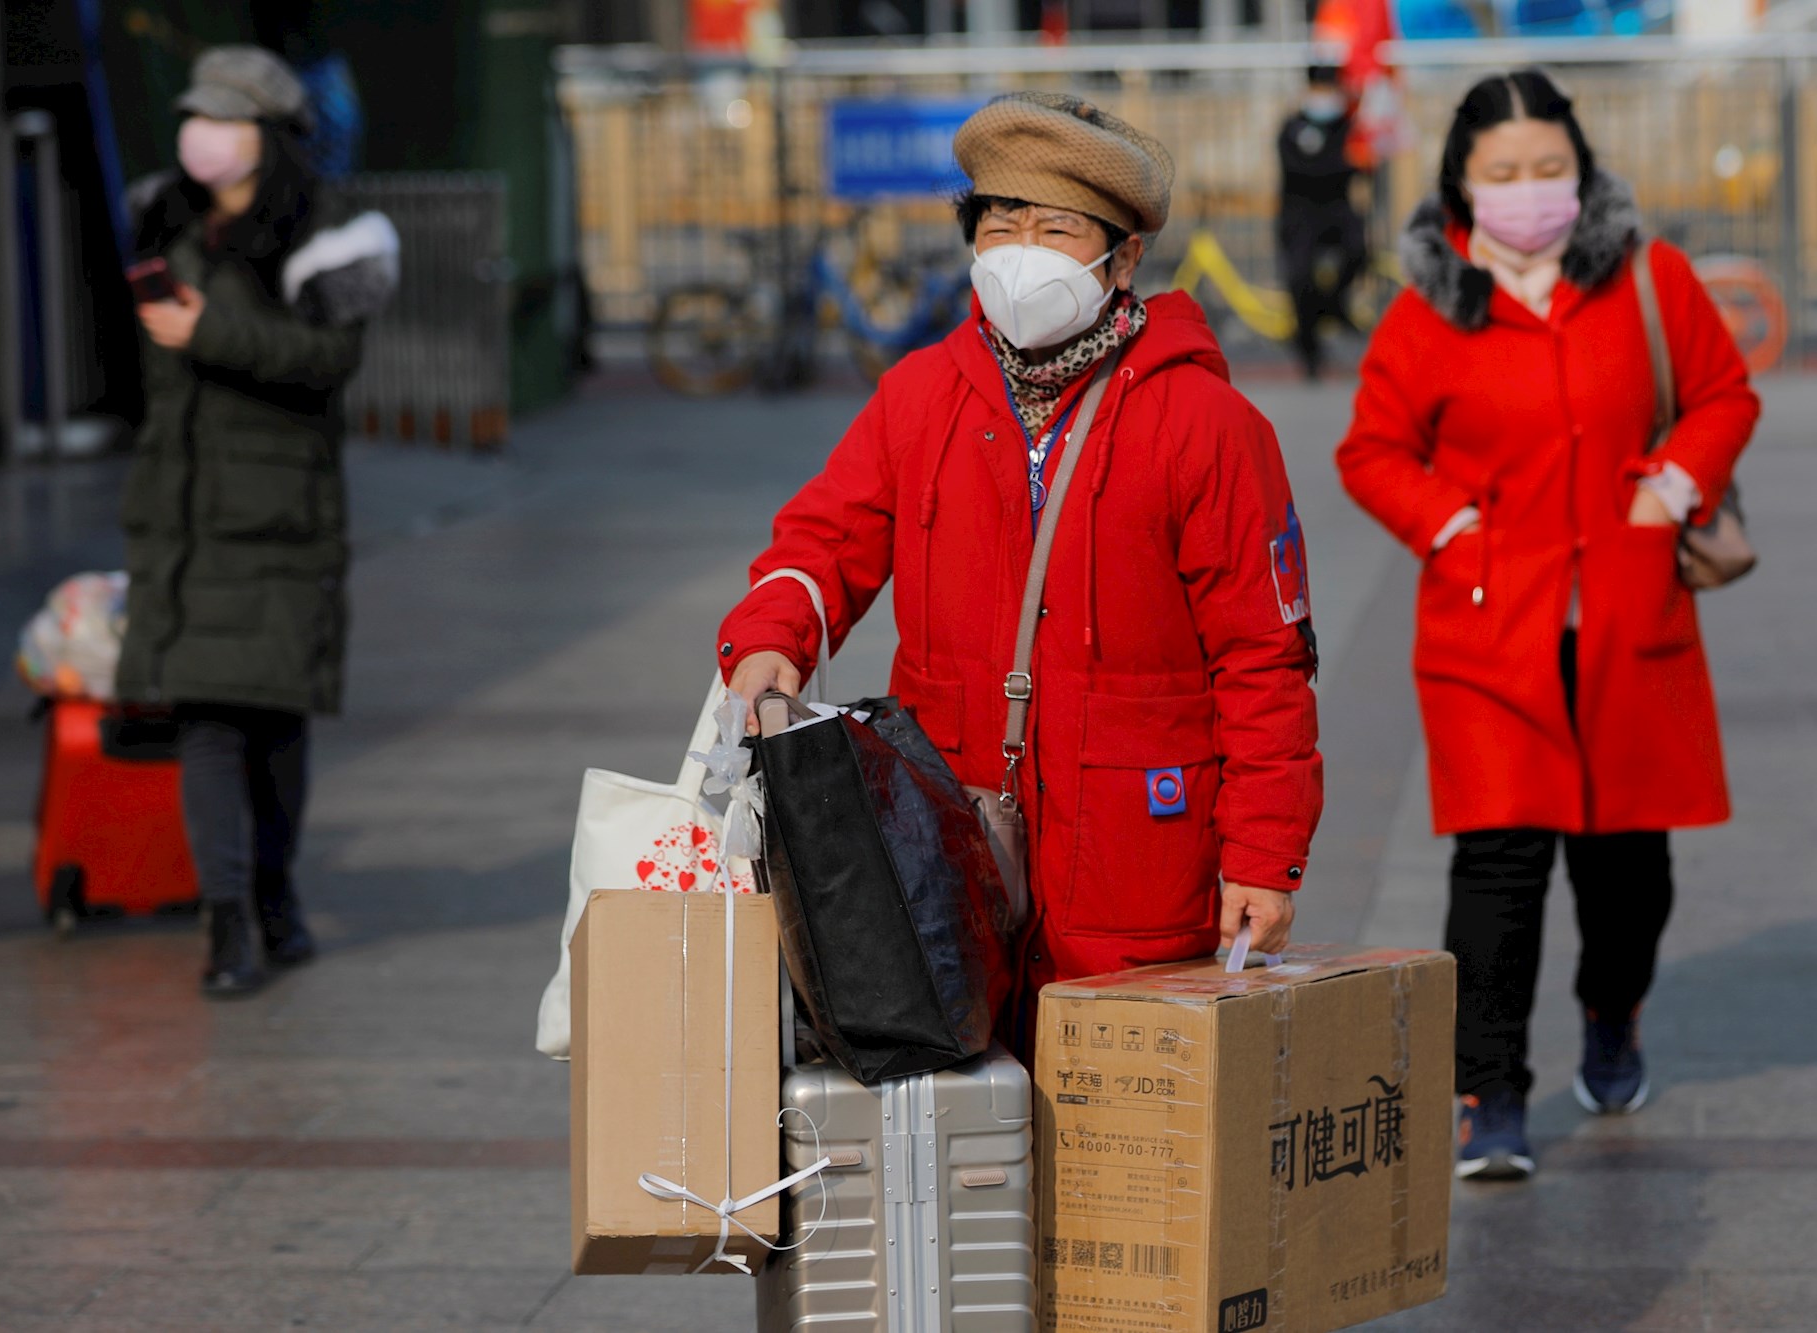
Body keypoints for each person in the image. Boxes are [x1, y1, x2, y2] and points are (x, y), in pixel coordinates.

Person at [718, 92, 1325, 1054]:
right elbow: (824, 539)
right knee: (969, 1157)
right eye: (1002, 221)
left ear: (1123, 256)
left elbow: (1263, 656)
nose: (1022, 249)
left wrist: (1263, 857)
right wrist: (768, 640)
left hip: (1136, 865)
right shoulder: (919, 396)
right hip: (942, 853)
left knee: (1119, 1156)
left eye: (1055, 227)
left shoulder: (1207, 426)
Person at [1336, 70, 1759, 1180]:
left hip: (1629, 616)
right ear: (1461, 185)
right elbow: (1370, 451)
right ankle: (1490, 1091)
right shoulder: (1429, 306)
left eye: (1547, 169)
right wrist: (1453, 526)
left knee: (1629, 875)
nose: (1529, 192)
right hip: (1487, 630)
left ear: (1579, 171)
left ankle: (1610, 1011)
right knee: (1497, 867)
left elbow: (1722, 394)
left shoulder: (1647, 278)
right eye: (1503, 173)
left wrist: (1669, 485)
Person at [117, 46, 398, 997]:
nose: (204, 133)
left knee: (274, 726)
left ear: (271, 136)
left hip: (280, 514)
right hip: (183, 511)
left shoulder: (329, 234)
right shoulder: (162, 212)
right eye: (197, 113)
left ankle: (273, 892)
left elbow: (329, 360)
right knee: (203, 721)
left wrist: (210, 332)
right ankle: (227, 919)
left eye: (227, 117)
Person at [1275, 65, 1368, 381]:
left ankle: (1332, 305)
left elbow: (1363, 162)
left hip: (1337, 209)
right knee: (1300, 279)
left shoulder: (1348, 125)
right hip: (1300, 214)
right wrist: (1342, 166)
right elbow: (1299, 170)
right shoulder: (1293, 127)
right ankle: (1309, 350)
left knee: (1358, 251)